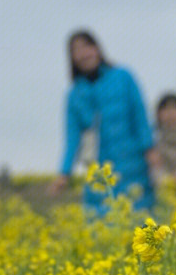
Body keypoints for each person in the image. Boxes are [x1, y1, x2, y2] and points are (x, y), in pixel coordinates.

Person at [52, 31, 157, 213]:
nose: (84, 53)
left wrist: (150, 148)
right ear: (72, 58)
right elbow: (72, 137)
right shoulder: (74, 95)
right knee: (102, 224)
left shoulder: (123, 76)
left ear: (97, 48)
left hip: (132, 163)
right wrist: (64, 173)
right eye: (77, 50)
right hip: (98, 169)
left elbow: (139, 114)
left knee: (140, 220)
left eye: (88, 46)